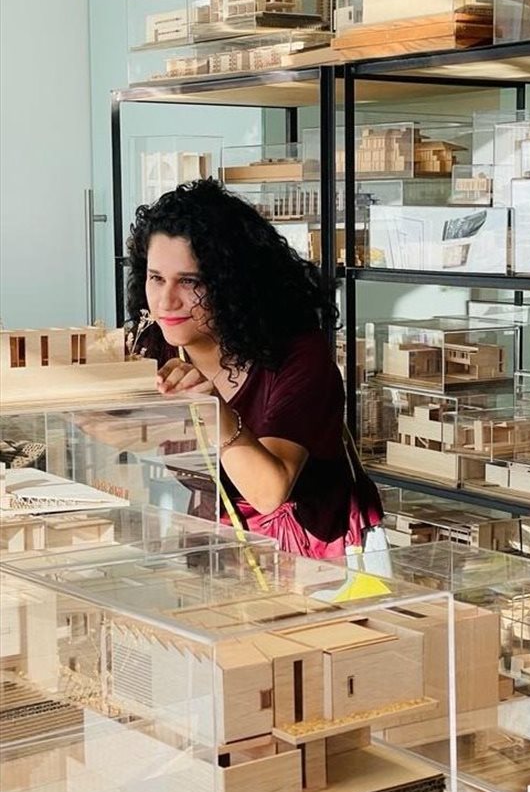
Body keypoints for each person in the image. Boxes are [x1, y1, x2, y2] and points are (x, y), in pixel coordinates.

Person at [126, 178, 383, 558]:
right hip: (213, 548)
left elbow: (268, 492)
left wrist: (214, 412)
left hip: (304, 563)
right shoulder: (154, 344)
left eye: (190, 281)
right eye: (156, 278)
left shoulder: (298, 358)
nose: (166, 300)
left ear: (233, 284)